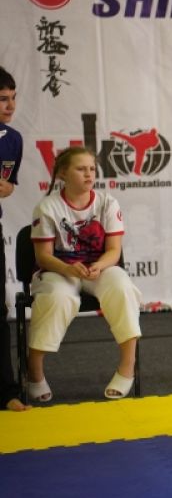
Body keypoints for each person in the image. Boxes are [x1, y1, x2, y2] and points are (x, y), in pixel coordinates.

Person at [27, 147, 142, 402]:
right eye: (81, 169)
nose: (89, 174)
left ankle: (127, 368)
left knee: (122, 287)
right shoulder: (47, 207)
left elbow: (114, 251)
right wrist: (68, 269)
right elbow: (43, 256)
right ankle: (34, 371)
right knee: (58, 298)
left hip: (97, 267)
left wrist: (99, 266)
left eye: (92, 169)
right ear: (63, 174)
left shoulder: (108, 202)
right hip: (58, 269)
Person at [0, 66, 30, 411]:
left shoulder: (13, 139)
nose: (10, 106)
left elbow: (8, 186)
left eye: (12, 98)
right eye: (2, 99)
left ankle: (6, 391)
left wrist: (6, 188)